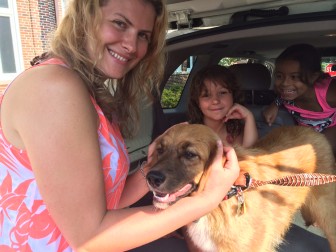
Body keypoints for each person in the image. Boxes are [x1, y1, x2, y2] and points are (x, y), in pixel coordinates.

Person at [0, 0, 241, 251]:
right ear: (85, 18)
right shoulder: (54, 87)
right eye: (119, 23)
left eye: (143, 35)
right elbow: (90, 238)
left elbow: (110, 201)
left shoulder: (86, 91)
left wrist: (154, 164)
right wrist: (208, 199)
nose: (131, 45)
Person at [263, 43, 336, 157]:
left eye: (294, 77)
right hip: (304, 134)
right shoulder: (286, 94)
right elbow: (281, 96)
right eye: (279, 76)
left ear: (313, 77)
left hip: (331, 128)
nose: (284, 83)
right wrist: (275, 104)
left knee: (323, 155)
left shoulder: (328, 93)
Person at [188, 64, 258, 148]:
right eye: (206, 95)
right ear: (197, 102)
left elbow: (249, 156)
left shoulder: (236, 132)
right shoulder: (189, 133)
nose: (215, 101)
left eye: (222, 93)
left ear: (233, 96)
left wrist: (248, 117)